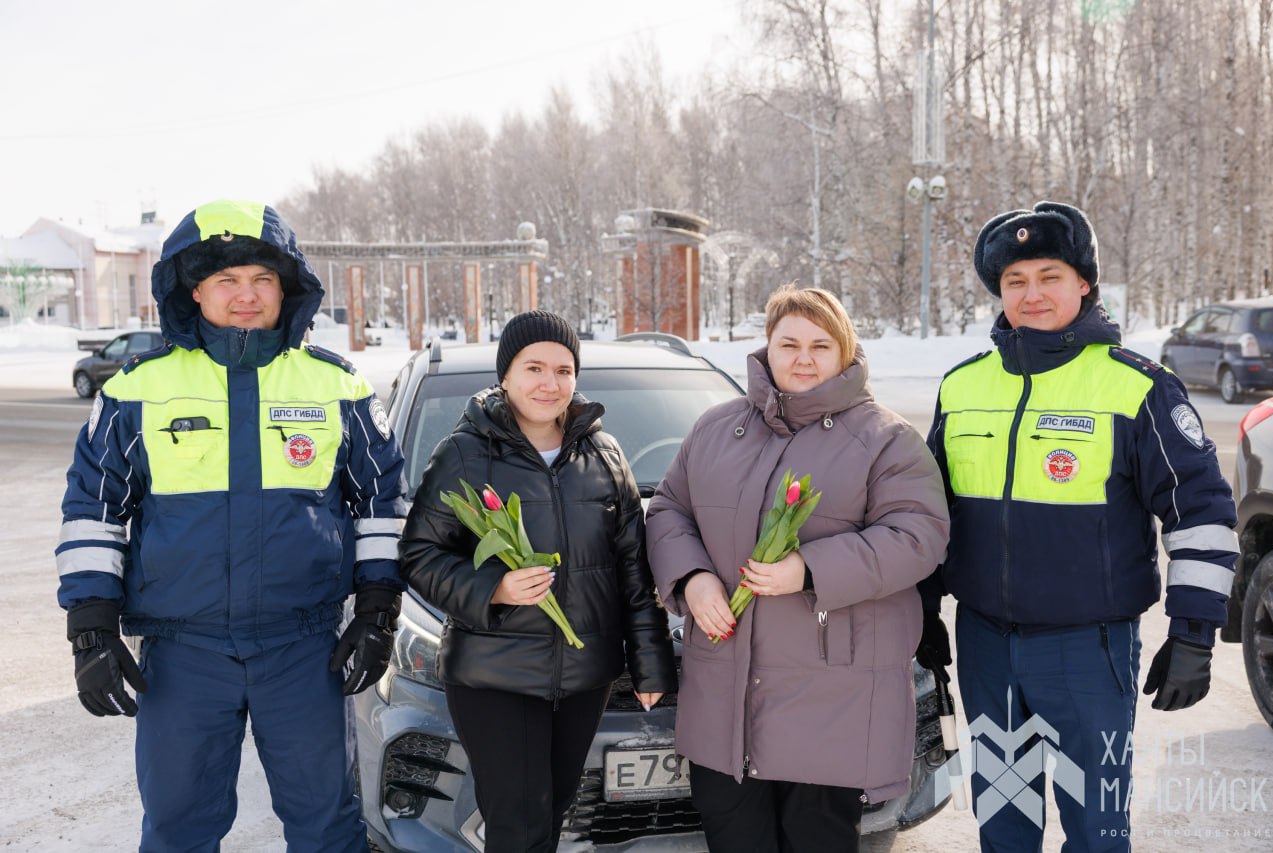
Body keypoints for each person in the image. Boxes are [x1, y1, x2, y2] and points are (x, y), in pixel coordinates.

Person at [56, 199, 408, 851]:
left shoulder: (337, 386)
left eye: (262, 278)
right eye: (227, 279)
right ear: (195, 289)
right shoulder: (138, 389)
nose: (246, 295)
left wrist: (378, 611)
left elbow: (382, 504)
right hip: (183, 653)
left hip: (303, 648)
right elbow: (93, 510)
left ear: (286, 286)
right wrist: (90, 626)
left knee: (328, 826)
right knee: (177, 828)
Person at [919, 201, 1238, 850]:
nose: (1031, 294)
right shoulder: (962, 387)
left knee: (1097, 830)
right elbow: (926, 515)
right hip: (986, 647)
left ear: (1084, 283)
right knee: (1003, 826)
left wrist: (1194, 632)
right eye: (1015, 280)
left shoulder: (1137, 387)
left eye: (1049, 276)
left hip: (1087, 652)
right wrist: (922, 611)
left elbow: (1201, 513)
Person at [645, 284, 950, 852]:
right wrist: (692, 579)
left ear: (844, 351)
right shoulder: (716, 429)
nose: (803, 359)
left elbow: (919, 535)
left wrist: (809, 569)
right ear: (769, 347)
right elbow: (668, 509)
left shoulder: (886, 440)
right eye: (789, 344)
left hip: (829, 700)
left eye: (820, 345)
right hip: (726, 699)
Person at [399, 310, 677, 853]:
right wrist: (493, 589)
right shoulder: (465, 453)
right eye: (534, 368)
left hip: (585, 676)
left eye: (563, 370)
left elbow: (632, 569)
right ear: (505, 375)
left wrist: (650, 663)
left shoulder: (603, 454)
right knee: (519, 823)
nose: (550, 383)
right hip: (494, 674)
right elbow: (418, 555)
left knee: (550, 815)